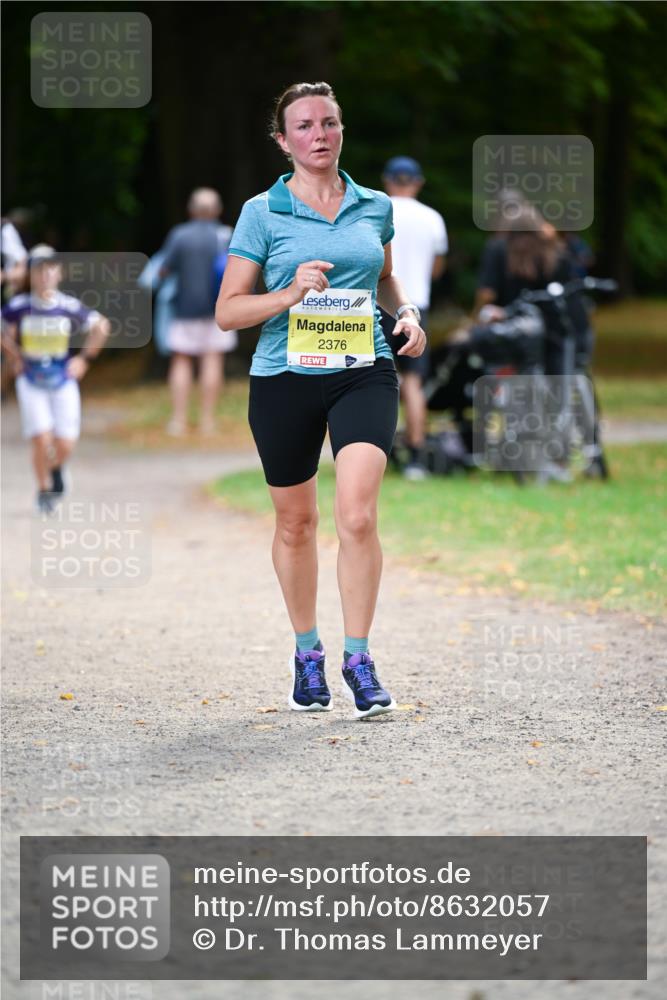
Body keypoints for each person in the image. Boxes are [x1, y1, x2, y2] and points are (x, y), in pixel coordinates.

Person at [216, 82, 427, 719]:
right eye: (304, 126)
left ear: (341, 131)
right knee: (296, 522)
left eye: (329, 123)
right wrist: (288, 294)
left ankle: (358, 659)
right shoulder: (262, 212)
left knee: (357, 515)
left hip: (364, 367)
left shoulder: (374, 205)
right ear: (283, 140)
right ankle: (307, 652)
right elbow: (227, 314)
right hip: (284, 376)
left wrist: (409, 314)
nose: (319, 134)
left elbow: (385, 277)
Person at [1, 245, 110, 514]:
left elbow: (101, 326)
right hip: (31, 378)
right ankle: (44, 489)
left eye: (51, 269)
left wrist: (84, 359)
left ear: (59, 273)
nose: (45, 275)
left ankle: (56, 467)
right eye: (39, 270)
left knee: (65, 441)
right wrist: (15, 356)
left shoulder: (67, 306)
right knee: (41, 438)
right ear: (31, 275)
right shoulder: (20, 306)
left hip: (61, 377)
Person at [380, 156, 448, 479]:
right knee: (414, 380)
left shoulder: (378, 211)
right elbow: (436, 268)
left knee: (378, 377)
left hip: (379, 303)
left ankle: (379, 451)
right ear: (418, 182)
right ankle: (417, 456)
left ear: (387, 181)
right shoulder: (432, 219)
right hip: (415, 307)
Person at [159, 188, 238, 436]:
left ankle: (178, 421)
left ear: (191, 209)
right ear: (217, 210)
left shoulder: (180, 235)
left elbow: (164, 270)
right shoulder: (226, 235)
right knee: (212, 360)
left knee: (181, 359)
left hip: (184, 309)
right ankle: (207, 421)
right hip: (218, 309)